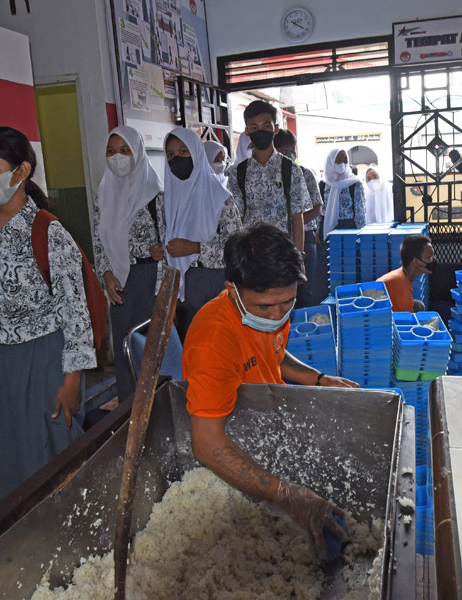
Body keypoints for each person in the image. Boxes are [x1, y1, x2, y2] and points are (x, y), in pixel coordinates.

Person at [0, 126, 96, 505]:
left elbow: (76, 315)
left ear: (20, 171)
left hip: (42, 362)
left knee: (48, 457)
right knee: (4, 459)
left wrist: (71, 381)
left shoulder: (47, 232)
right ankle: (15, 539)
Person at [182, 224, 359, 558]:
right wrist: (290, 496)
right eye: (265, 307)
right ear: (233, 290)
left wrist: (319, 379)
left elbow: (275, 351)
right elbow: (207, 445)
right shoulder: (214, 340)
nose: (277, 315)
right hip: (236, 452)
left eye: (287, 302)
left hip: (271, 424)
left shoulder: (268, 311)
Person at [93, 125, 164, 403]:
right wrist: (106, 275)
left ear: (137, 154)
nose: (117, 157)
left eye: (125, 151)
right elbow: (99, 243)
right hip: (120, 283)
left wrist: (160, 282)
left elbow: (170, 243)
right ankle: (128, 413)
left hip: (150, 280)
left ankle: (157, 406)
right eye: (111, 151)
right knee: (125, 350)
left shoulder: (155, 195)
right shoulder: (103, 196)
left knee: (152, 347)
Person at [164, 128, 242, 339]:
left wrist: (196, 248)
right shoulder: (168, 199)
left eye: (183, 151)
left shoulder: (220, 197)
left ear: (197, 154)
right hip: (182, 283)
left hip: (215, 279)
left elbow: (236, 247)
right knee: (193, 344)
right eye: (170, 155)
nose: (177, 158)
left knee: (220, 341)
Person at [227, 100, 308, 252]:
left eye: (266, 126)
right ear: (247, 131)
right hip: (250, 257)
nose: (260, 131)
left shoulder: (290, 169)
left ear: (275, 128)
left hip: (284, 256)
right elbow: (235, 219)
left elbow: (298, 217)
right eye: (254, 127)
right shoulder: (237, 173)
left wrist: (300, 258)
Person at [274, 128, 323, 307]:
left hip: (305, 238)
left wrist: (295, 225)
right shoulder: (269, 176)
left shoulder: (305, 173)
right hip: (278, 241)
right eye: (283, 151)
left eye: (291, 150)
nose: (288, 154)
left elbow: (317, 208)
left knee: (304, 291)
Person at [377, 234, 436, 312]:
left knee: (418, 305)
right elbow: (405, 322)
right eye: (429, 257)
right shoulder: (401, 288)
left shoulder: (400, 275)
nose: (433, 260)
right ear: (416, 261)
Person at [321, 148, 366, 238]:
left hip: (349, 228)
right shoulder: (323, 184)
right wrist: (318, 231)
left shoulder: (355, 183)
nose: (342, 163)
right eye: (338, 160)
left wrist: (361, 234)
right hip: (327, 227)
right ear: (331, 161)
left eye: (345, 160)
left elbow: (360, 213)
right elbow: (320, 210)